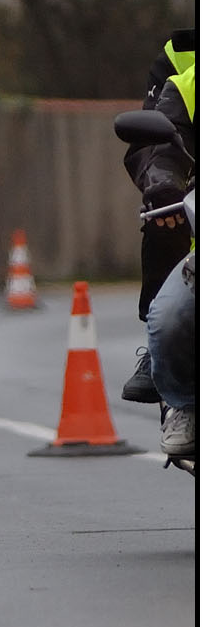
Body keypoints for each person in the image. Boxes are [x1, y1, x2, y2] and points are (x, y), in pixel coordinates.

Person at [120, 30, 197, 404]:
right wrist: (163, 182)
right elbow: (155, 142)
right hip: (194, 238)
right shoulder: (183, 68)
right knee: (162, 215)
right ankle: (175, 389)